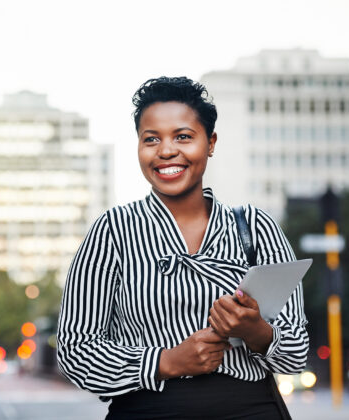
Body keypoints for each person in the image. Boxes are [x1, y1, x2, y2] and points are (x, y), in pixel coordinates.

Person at [56, 76, 308, 419]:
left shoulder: (256, 228)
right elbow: (75, 351)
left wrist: (254, 330)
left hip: (251, 408)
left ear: (211, 142)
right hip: (148, 410)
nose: (166, 151)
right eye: (151, 139)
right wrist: (165, 362)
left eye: (183, 137)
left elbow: (296, 355)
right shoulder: (112, 231)